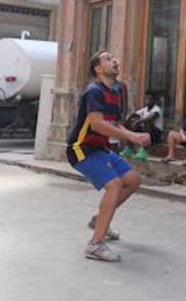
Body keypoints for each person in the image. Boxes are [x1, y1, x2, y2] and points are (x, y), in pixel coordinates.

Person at [67, 51, 150, 262]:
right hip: (82, 148)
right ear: (98, 68)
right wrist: (132, 135)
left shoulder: (117, 90)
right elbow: (97, 124)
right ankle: (95, 245)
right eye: (107, 58)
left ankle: (99, 220)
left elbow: (114, 122)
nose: (114, 60)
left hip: (101, 148)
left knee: (132, 181)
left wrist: (134, 137)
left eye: (114, 57)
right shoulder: (93, 91)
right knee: (113, 184)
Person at [121, 92, 162, 160]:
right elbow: (134, 114)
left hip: (155, 134)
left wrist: (138, 121)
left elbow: (151, 117)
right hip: (145, 132)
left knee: (147, 123)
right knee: (129, 124)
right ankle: (130, 148)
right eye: (146, 99)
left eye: (150, 99)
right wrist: (127, 121)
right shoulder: (144, 109)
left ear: (154, 101)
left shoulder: (157, 109)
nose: (147, 101)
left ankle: (144, 149)